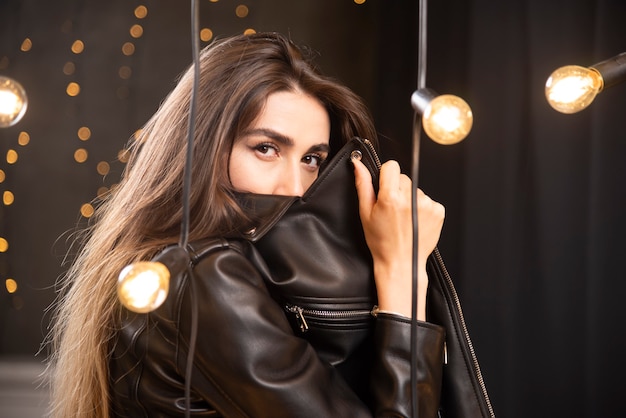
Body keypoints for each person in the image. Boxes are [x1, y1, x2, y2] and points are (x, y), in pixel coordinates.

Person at [46, 31, 446, 417]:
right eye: (266, 148)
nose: (294, 187)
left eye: (312, 160)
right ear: (203, 150)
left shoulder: (197, 269)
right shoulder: (203, 277)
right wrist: (402, 272)